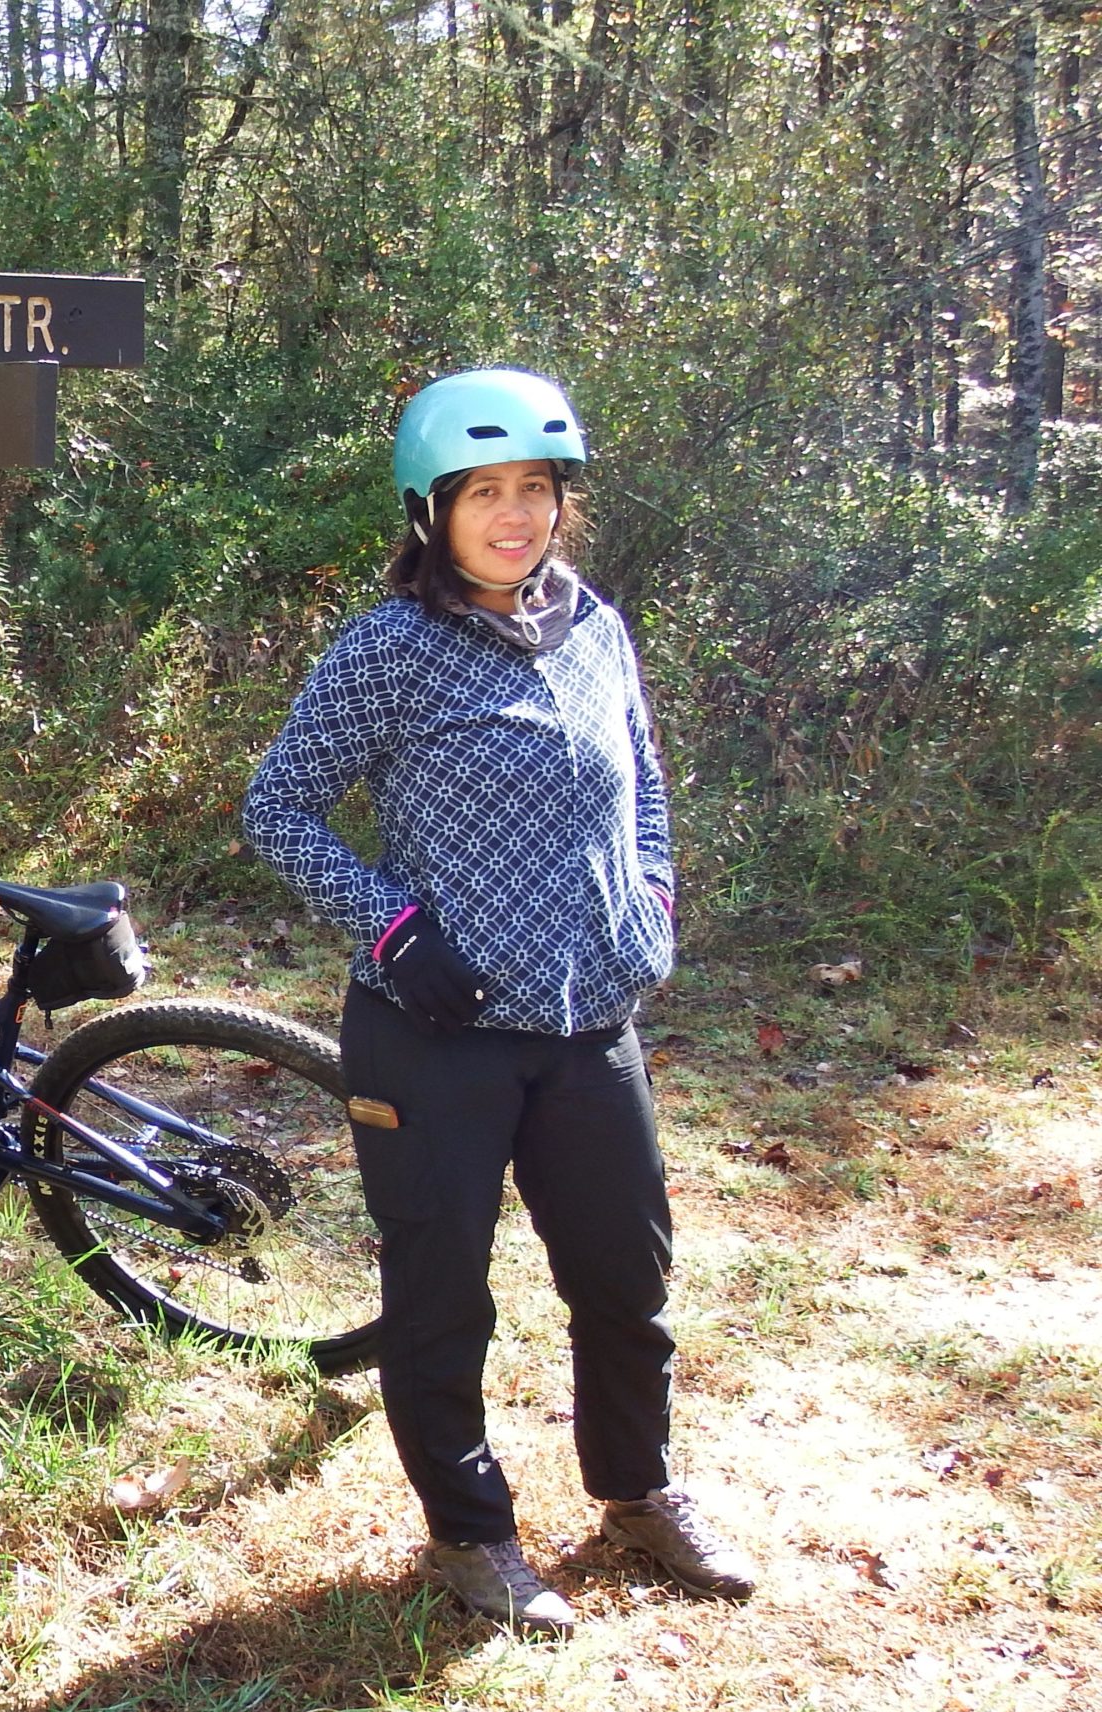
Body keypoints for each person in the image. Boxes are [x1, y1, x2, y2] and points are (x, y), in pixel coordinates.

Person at [240, 367, 755, 1638]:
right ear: (432, 510)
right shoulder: (389, 649)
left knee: (624, 1279)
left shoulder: (595, 630)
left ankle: (636, 1491)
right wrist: (393, 926)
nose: (515, 516)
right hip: (436, 1033)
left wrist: (652, 907)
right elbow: (277, 807)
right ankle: (471, 1537)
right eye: (485, 493)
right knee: (440, 1292)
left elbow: (640, 783)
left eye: (535, 490)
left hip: (587, 1026)